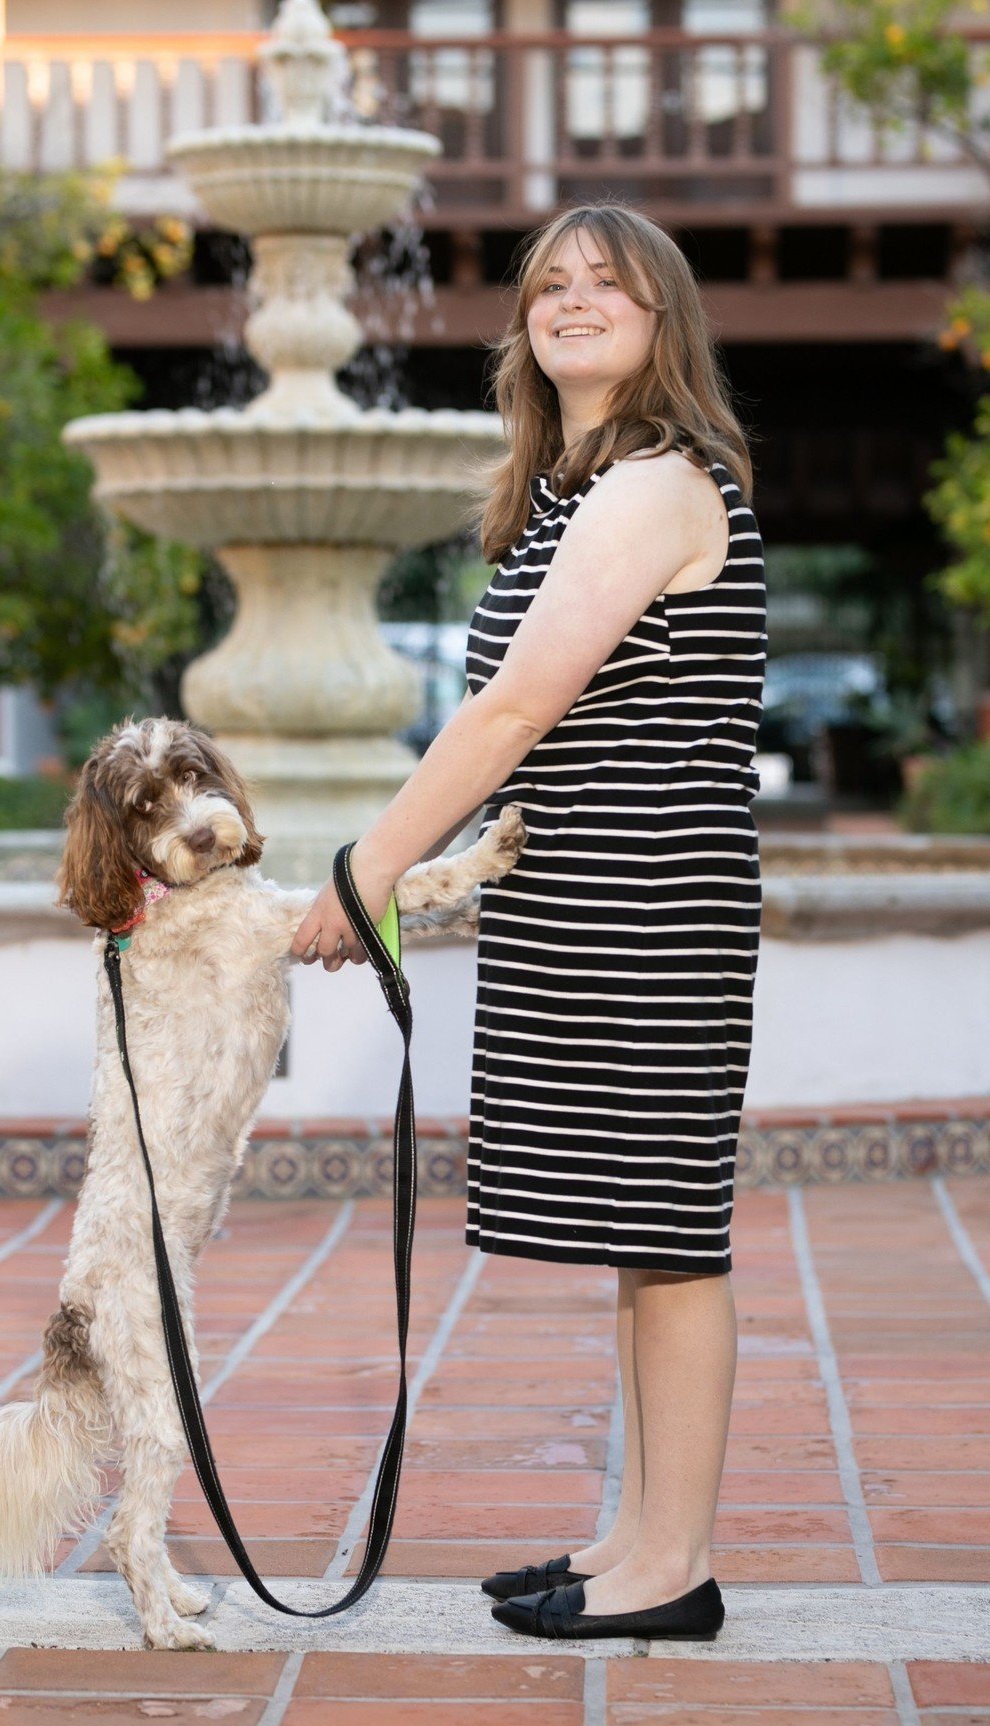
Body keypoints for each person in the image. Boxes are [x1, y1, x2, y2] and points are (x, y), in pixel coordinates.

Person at [290, 200, 766, 1643]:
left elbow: (509, 709)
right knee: (639, 1229)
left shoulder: (656, 485)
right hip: (583, 897)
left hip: (649, 903)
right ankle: (637, 1540)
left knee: (674, 1237)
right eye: (548, 283)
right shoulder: (575, 490)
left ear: (660, 319)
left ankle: (672, 1568)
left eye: (604, 285)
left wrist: (366, 869)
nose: (570, 301)